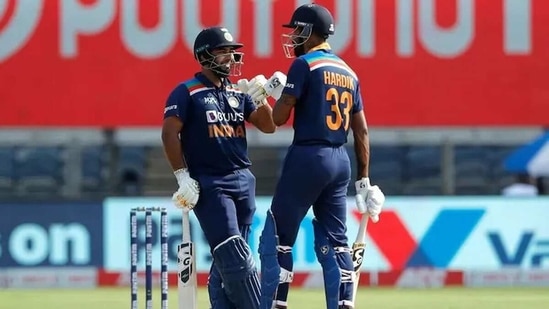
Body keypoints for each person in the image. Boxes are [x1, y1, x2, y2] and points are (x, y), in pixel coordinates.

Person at [243, 4, 385, 309]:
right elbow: (361, 132)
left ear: (309, 32)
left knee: (276, 239)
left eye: (297, 30)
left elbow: (277, 119)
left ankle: (274, 305)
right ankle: (343, 304)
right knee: (336, 242)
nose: (293, 37)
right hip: (340, 162)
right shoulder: (349, 71)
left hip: (308, 156)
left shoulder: (304, 65)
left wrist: (259, 98)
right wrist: (364, 181)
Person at [161, 26, 281, 309]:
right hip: (212, 183)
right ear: (204, 56)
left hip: (243, 180)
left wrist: (260, 97)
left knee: (225, 268)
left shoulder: (238, 92)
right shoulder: (187, 92)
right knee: (234, 256)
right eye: (223, 52)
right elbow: (169, 133)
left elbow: (269, 126)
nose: (230, 57)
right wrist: (182, 176)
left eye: (232, 52)